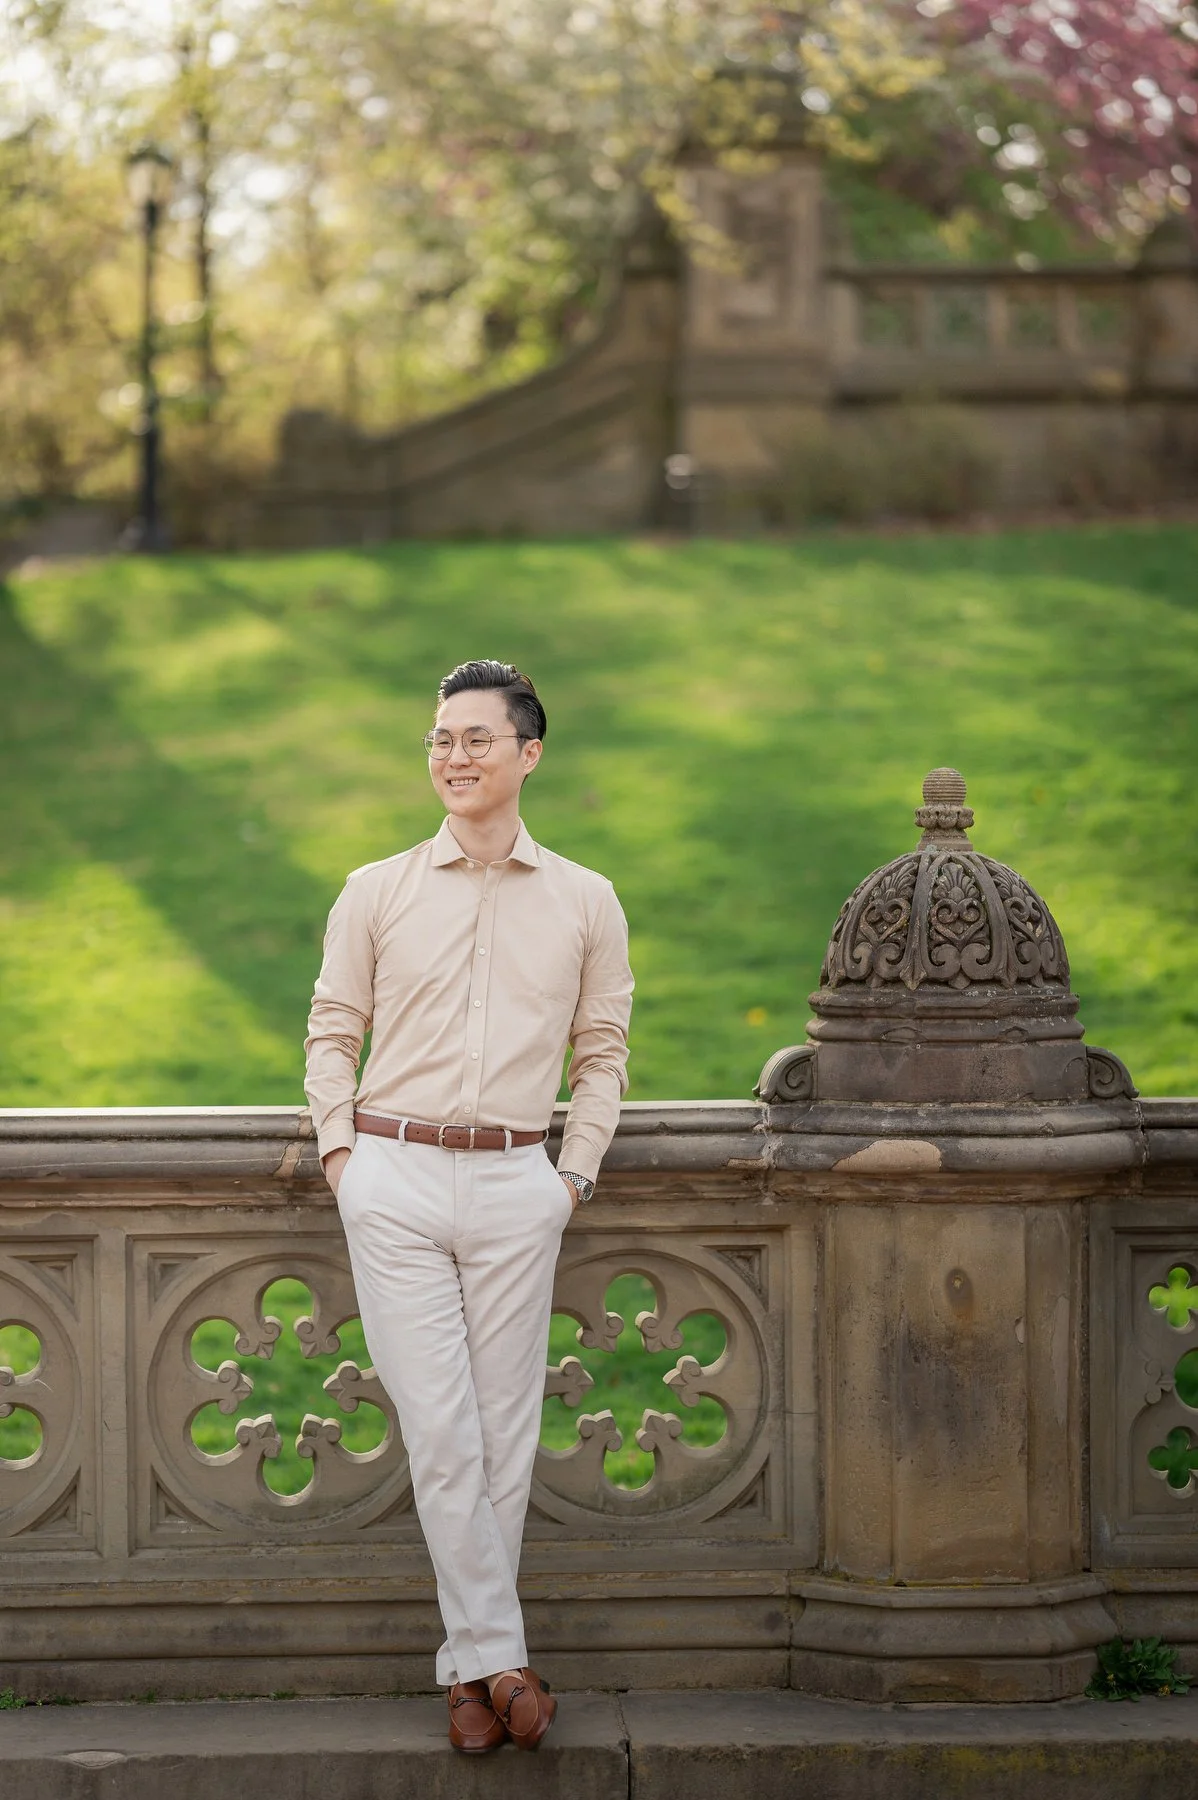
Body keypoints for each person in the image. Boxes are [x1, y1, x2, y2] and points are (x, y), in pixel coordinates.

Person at [303, 658, 633, 1752]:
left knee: (504, 1441)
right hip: (392, 1178)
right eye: (441, 738)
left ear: (528, 753)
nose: (453, 755)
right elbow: (331, 1030)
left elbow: (602, 1052)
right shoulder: (376, 889)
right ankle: (499, 1661)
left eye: (476, 739)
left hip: (516, 1183)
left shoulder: (587, 900)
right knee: (443, 1431)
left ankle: (467, 1675)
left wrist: (571, 1175)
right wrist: (344, 1156)